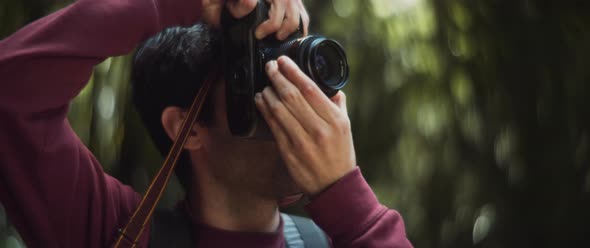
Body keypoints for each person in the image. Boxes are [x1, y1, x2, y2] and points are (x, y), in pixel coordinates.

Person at [0, 0, 413, 247]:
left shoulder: (337, 239)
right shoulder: (116, 230)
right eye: (264, 76)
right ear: (187, 127)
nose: (302, 97)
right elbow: (11, 91)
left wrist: (352, 207)